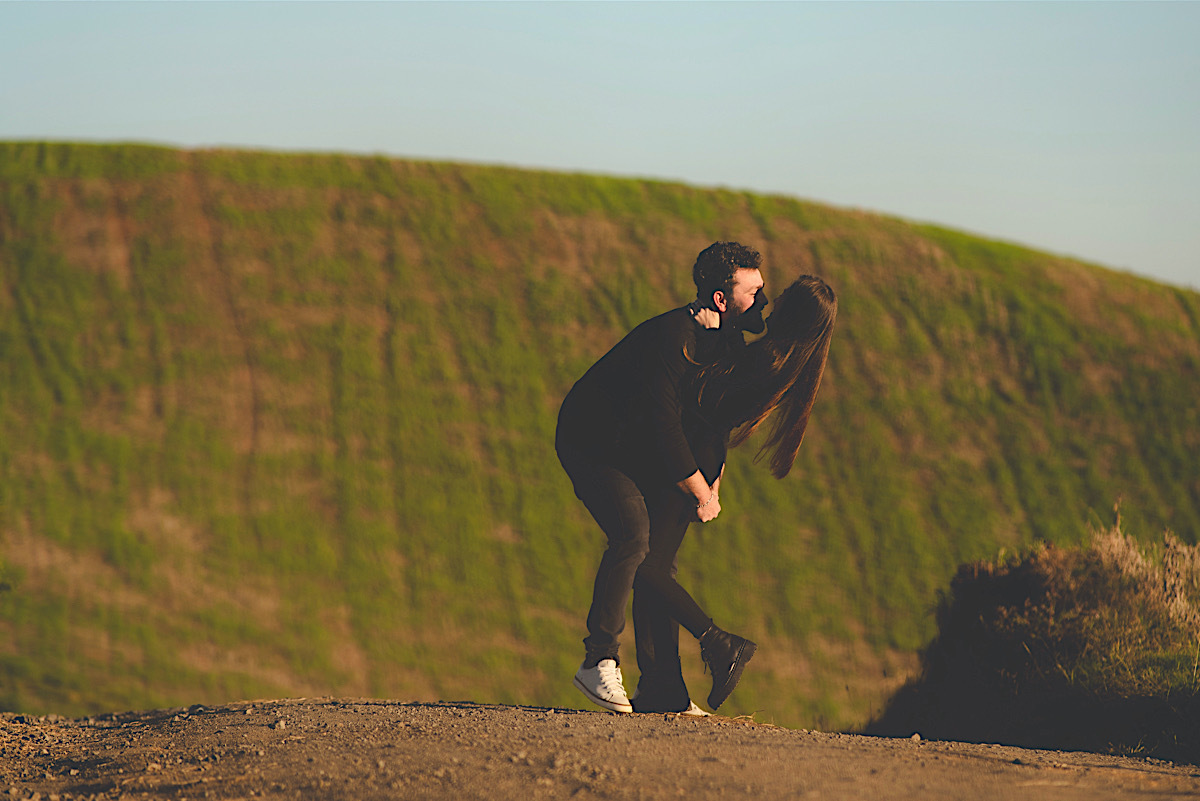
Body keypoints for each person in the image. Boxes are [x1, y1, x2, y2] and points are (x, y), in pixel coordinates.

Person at [555, 242, 769, 715]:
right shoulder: (672, 339)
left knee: (657, 564)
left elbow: (713, 421)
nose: (762, 301)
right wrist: (697, 491)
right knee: (632, 537)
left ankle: (663, 691)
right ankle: (597, 661)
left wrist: (713, 481)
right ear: (719, 299)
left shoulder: (727, 342)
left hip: (637, 446)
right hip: (592, 442)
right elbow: (665, 429)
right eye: (753, 292)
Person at [630, 274, 838, 714]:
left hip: (684, 464)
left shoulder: (769, 358)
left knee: (644, 568)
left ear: (793, 312)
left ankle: (719, 644)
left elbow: (703, 397)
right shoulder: (782, 361)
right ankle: (663, 688)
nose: (769, 300)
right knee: (656, 570)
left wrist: (709, 331)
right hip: (699, 461)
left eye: (779, 298)